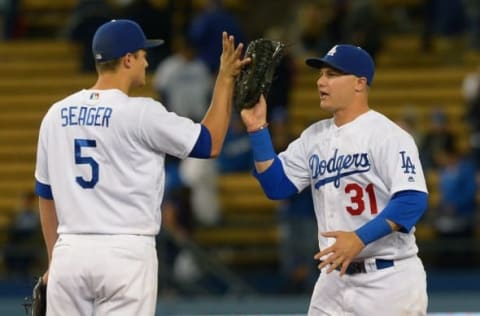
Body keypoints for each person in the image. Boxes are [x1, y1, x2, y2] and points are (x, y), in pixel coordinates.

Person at [34, 19, 249, 316]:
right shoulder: (141, 112)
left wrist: (53, 261)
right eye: (142, 54)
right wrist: (225, 79)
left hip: (70, 252)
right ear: (127, 59)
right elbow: (208, 143)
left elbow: (46, 195)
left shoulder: (55, 114)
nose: (147, 61)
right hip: (125, 253)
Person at [240, 44, 429, 315]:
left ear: (359, 83)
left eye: (332, 74)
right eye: (321, 75)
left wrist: (359, 238)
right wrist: (257, 129)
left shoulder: (388, 135)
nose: (321, 81)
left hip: (388, 279)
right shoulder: (313, 137)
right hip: (333, 279)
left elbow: (412, 201)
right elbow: (276, 186)